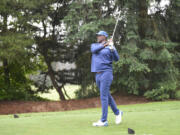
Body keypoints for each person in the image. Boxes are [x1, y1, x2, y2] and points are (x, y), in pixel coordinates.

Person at [91, 30, 123, 127]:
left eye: (99, 35)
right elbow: (93, 51)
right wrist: (105, 44)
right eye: (97, 35)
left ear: (104, 36)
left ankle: (103, 120)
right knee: (107, 95)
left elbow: (117, 59)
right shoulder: (94, 45)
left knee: (103, 96)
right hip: (97, 74)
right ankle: (117, 112)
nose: (98, 37)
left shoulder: (110, 47)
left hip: (106, 73)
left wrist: (112, 47)